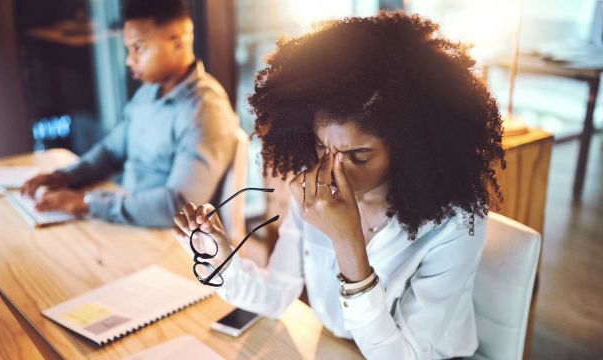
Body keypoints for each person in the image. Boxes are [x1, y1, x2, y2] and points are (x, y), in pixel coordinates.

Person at [173, 12, 505, 359]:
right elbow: (275, 295)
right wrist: (221, 255)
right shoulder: (313, 188)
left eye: (359, 155)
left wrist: (348, 242)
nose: (333, 170)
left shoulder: (450, 225)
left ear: (409, 148)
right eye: (322, 146)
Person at [21, 0, 239, 227]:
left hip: (169, 236)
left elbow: (180, 205)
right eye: (129, 49)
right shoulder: (148, 91)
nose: (129, 60)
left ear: (177, 43)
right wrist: (64, 177)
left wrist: (88, 203)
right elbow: (111, 151)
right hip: (128, 218)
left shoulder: (205, 109)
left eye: (138, 48)